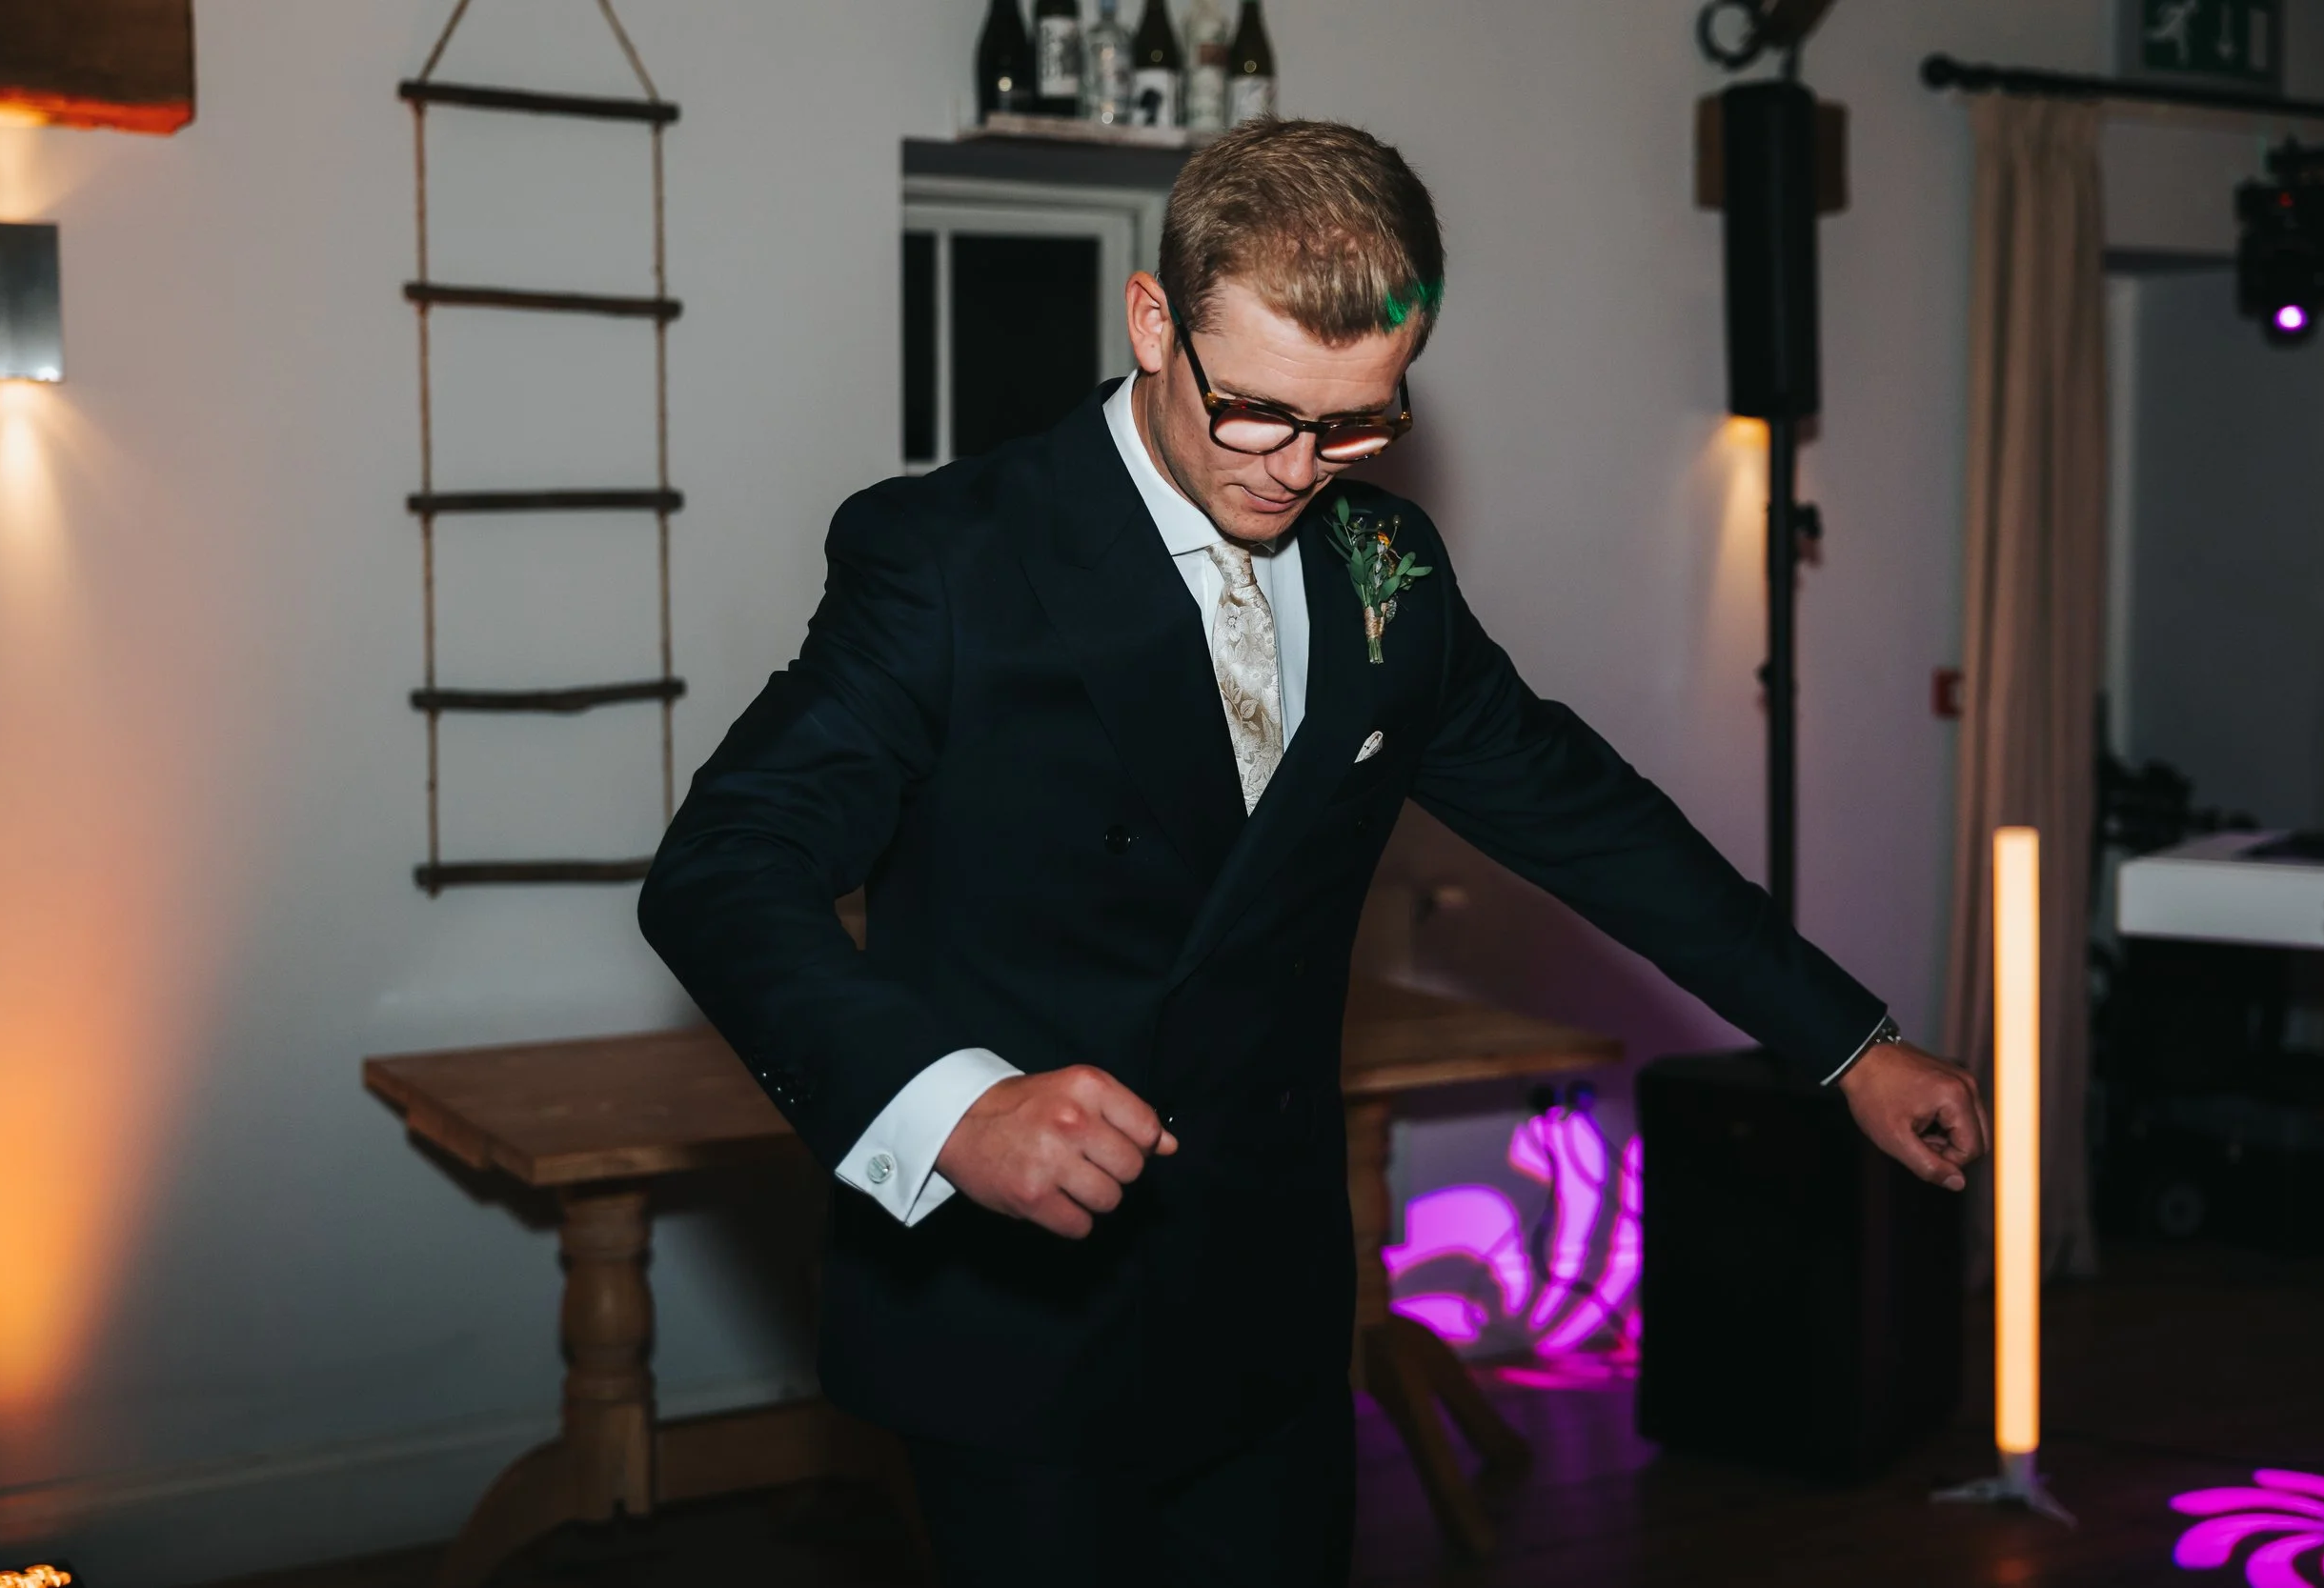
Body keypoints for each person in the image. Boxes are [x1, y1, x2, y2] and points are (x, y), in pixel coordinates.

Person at [638, 117, 1987, 1588]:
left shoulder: (1386, 570)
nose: (1298, 469)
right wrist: (952, 1111)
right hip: (1018, 1311)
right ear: (1154, 323)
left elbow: (1592, 819)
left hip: (1271, 1309)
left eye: (1354, 424)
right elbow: (725, 866)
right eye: (1259, 413)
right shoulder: (953, 555)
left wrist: (1848, 1043)